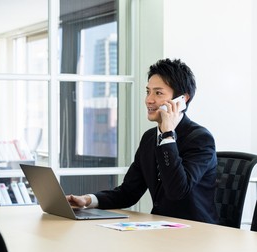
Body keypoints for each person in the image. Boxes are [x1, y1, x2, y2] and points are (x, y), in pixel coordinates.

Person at [67, 58, 218, 224]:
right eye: (148, 92)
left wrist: (168, 136)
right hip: (161, 229)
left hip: (195, 232)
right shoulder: (149, 138)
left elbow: (177, 191)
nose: (149, 100)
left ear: (183, 99)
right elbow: (128, 192)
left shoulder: (200, 139)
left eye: (158, 93)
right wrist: (88, 200)